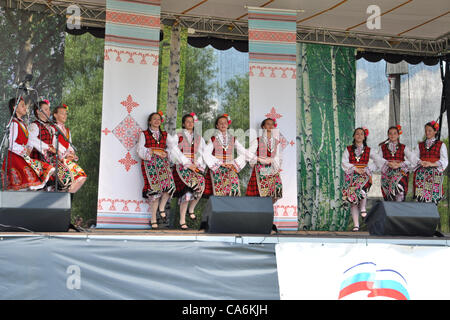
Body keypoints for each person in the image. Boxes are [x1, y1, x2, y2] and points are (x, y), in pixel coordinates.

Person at [2, 97, 54, 191]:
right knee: (22, 187)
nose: (25, 107)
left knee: (45, 171)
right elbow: (11, 144)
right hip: (14, 159)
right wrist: (24, 150)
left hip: (23, 157)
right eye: (22, 105)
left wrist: (30, 147)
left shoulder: (22, 124)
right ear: (15, 108)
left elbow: (29, 140)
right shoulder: (13, 123)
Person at [137, 111, 177, 229]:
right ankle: (153, 218)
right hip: (150, 165)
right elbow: (139, 149)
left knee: (170, 186)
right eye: (154, 119)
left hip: (163, 163)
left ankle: (161, 207)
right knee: (155, 192)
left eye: (158, 119)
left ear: (161, 121)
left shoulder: (165, 134)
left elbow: (173, 148)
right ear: (150, 121)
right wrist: (154, 151)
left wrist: (166, 153)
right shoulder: (144, 134)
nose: (156, 121)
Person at [171, 113, 207, 230]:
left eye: (192, 121)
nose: (190, 123)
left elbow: (203, 152)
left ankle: (191, 209)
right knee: (187, 193)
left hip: (195, 166)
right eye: (187, 121)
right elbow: (174, 150)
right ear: (183, 124)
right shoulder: (178, 135)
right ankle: (182, 220)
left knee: (201, 186)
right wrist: (187, 163)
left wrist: (198, 163)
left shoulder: (199, 138)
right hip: (183, 166)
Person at [341, 127, 380, 231]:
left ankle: (363, 207)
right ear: (354, 136)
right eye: (357, 134)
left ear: (364, 137)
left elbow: (378, 160)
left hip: (364, 175)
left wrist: (367, 168)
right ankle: (356, 225)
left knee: (362, 191)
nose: (359, 135)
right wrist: (354, 168)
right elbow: (344, 162)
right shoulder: (348, 149)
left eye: (361, 134)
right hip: (352, 175)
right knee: (353, 201)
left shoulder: (368, 150)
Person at [203, 114, 247, 197]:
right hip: (217, 168)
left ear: (228, 125)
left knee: (234, 190)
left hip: (230, 167)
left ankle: (232, 209)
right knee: (219, 193)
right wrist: (220, 163)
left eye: (225, 123)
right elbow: (206, 153)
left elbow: (243, 152)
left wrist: (234, 163)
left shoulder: (233, 138)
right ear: (217, 126)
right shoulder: (213, 139)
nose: (223, 125)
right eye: (220, 123)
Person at [245, 118, 282, 202]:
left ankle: (268, 211)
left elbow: (278, 157)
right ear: (263, 127)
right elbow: (248, 154)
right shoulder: (258, 140)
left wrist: (274, 164)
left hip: (272, 169)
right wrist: (258, 159)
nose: (270, 126)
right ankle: (259, 212)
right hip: (260, 169)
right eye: (268, 124)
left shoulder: (276, 142)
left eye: (272, 124)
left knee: (273, 194)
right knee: (260, 193)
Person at [52, 105, 87, 193]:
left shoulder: (67, 130)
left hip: (66, 160)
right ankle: (66, 197)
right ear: (55, 115)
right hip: (57, 160)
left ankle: (67, 197)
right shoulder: (52, 128)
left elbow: (69, 145)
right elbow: (53, 144)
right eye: (62, 113)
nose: (65, 116)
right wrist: (65, 154)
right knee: (78, 177)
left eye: (66, 114)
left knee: (80, 177)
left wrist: (72, 153)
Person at [377, 125, 416, 201]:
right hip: (387, 172)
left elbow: (412, 159)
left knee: (399, 188)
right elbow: (378, 159)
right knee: (390, 196)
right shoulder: (383, 147)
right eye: (390, 133)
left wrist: (399, 164)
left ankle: (398, 207)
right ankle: (393, 208)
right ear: (388, 135)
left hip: (400, 171)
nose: (392, 135)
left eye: (395, 133)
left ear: (398, 135)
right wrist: (387, 163)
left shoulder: (403, 147)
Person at [413, 121, 448, 204]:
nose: (427, 132)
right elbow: (414, 158)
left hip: (434, 173)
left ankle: (432, 213)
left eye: (429, 130)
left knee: (433, 198)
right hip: (421, 175)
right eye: (426, 131)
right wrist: (420, 162)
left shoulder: (441, 145)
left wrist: (432, 164)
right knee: (420, 197)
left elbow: (444, 160)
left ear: (435, 131)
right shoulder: (420, 145)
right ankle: (422, 214)